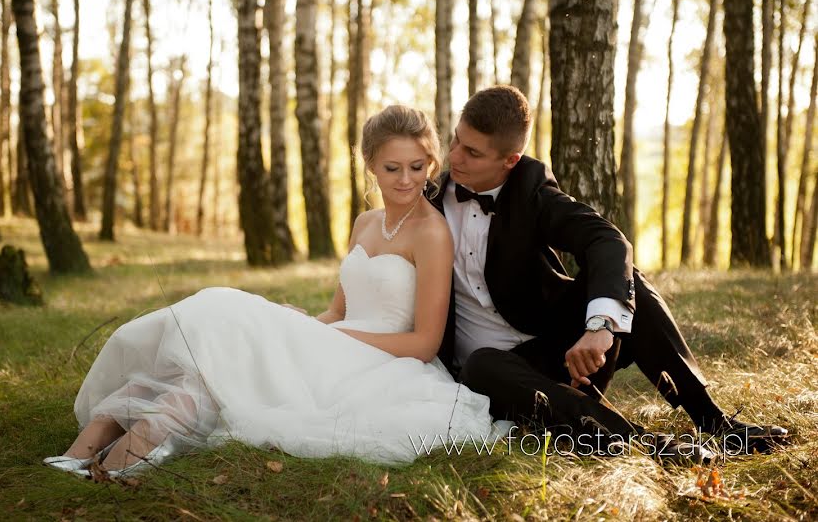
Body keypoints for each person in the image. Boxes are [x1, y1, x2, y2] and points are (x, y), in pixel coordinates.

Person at [44, 106, 493, 477]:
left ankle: (119, 462)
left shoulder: (431, 233)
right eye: (392, 168)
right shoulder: (364, 222)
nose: (405, 180)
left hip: (381, 362)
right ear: (371, 164)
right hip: (334, 342)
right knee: (218, 344)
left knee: (226, 367)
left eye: (417, 167)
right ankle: (85, 451)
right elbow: (338, 311)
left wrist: (329, 338)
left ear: (431, 164)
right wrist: (303, 326)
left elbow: (424, 343)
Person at [429, 85, 789, 459]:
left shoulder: (530, 189)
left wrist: (599, 327)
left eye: (472, 152)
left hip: (565, 357)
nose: (454, 156)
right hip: (491, 376)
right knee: (481, 364)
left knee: (632, 281)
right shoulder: (430, 198)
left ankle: (715, 422)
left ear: (510, 160)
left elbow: (607, 240)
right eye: (456, 140)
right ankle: (643, 444)